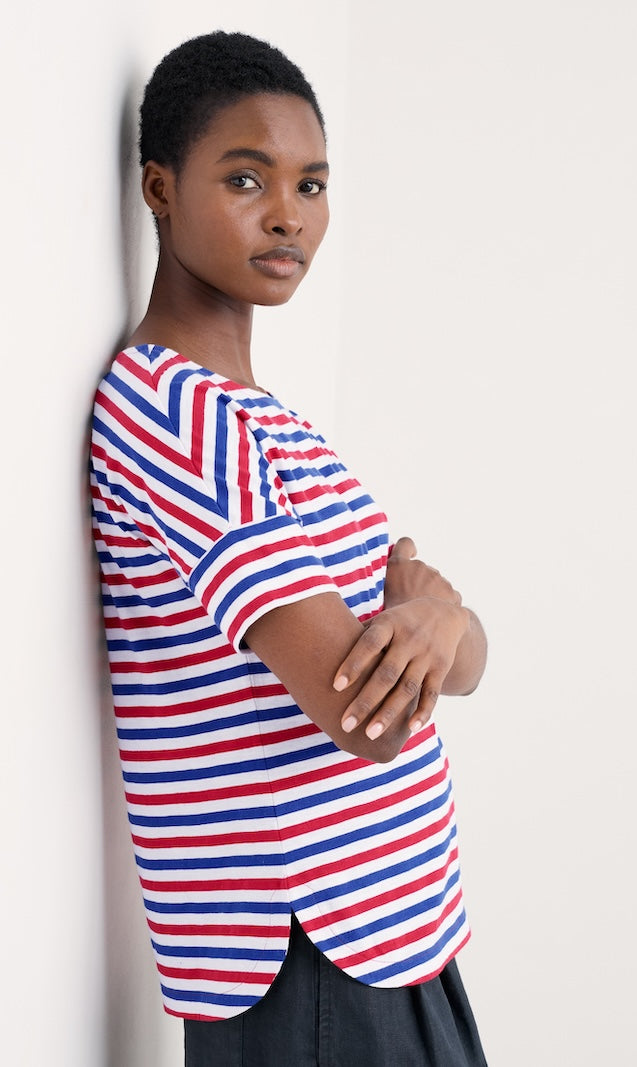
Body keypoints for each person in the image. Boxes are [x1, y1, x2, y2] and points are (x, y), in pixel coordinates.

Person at [90, 30, 489, 1067]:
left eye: (310, 183)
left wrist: (436, 619)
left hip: (388, 931)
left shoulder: (269, 422)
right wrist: (425, 618)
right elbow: (366, 716)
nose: (287, 214)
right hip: (305, 951)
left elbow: (466, 658)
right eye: (245, 178)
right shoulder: (177, 418)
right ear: (159, 188)